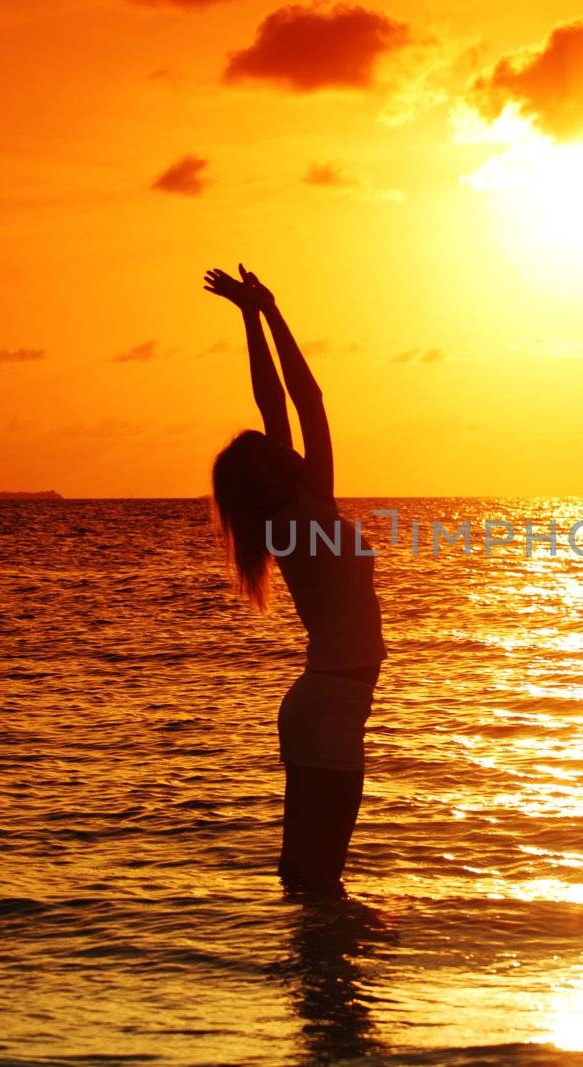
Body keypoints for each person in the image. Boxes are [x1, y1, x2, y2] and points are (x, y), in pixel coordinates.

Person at [205, 264, 386, 898]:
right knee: (322, 882)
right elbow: (303, 399)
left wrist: (253, 314)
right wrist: (270, 312)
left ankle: (304, 988)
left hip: (321, 701)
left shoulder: (290, 516)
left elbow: (275, 401)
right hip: (332, 702)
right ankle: (326, 991)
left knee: (303, 878)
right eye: (268, 449)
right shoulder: (305, 510)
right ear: (267, 476)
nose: (282, 444)